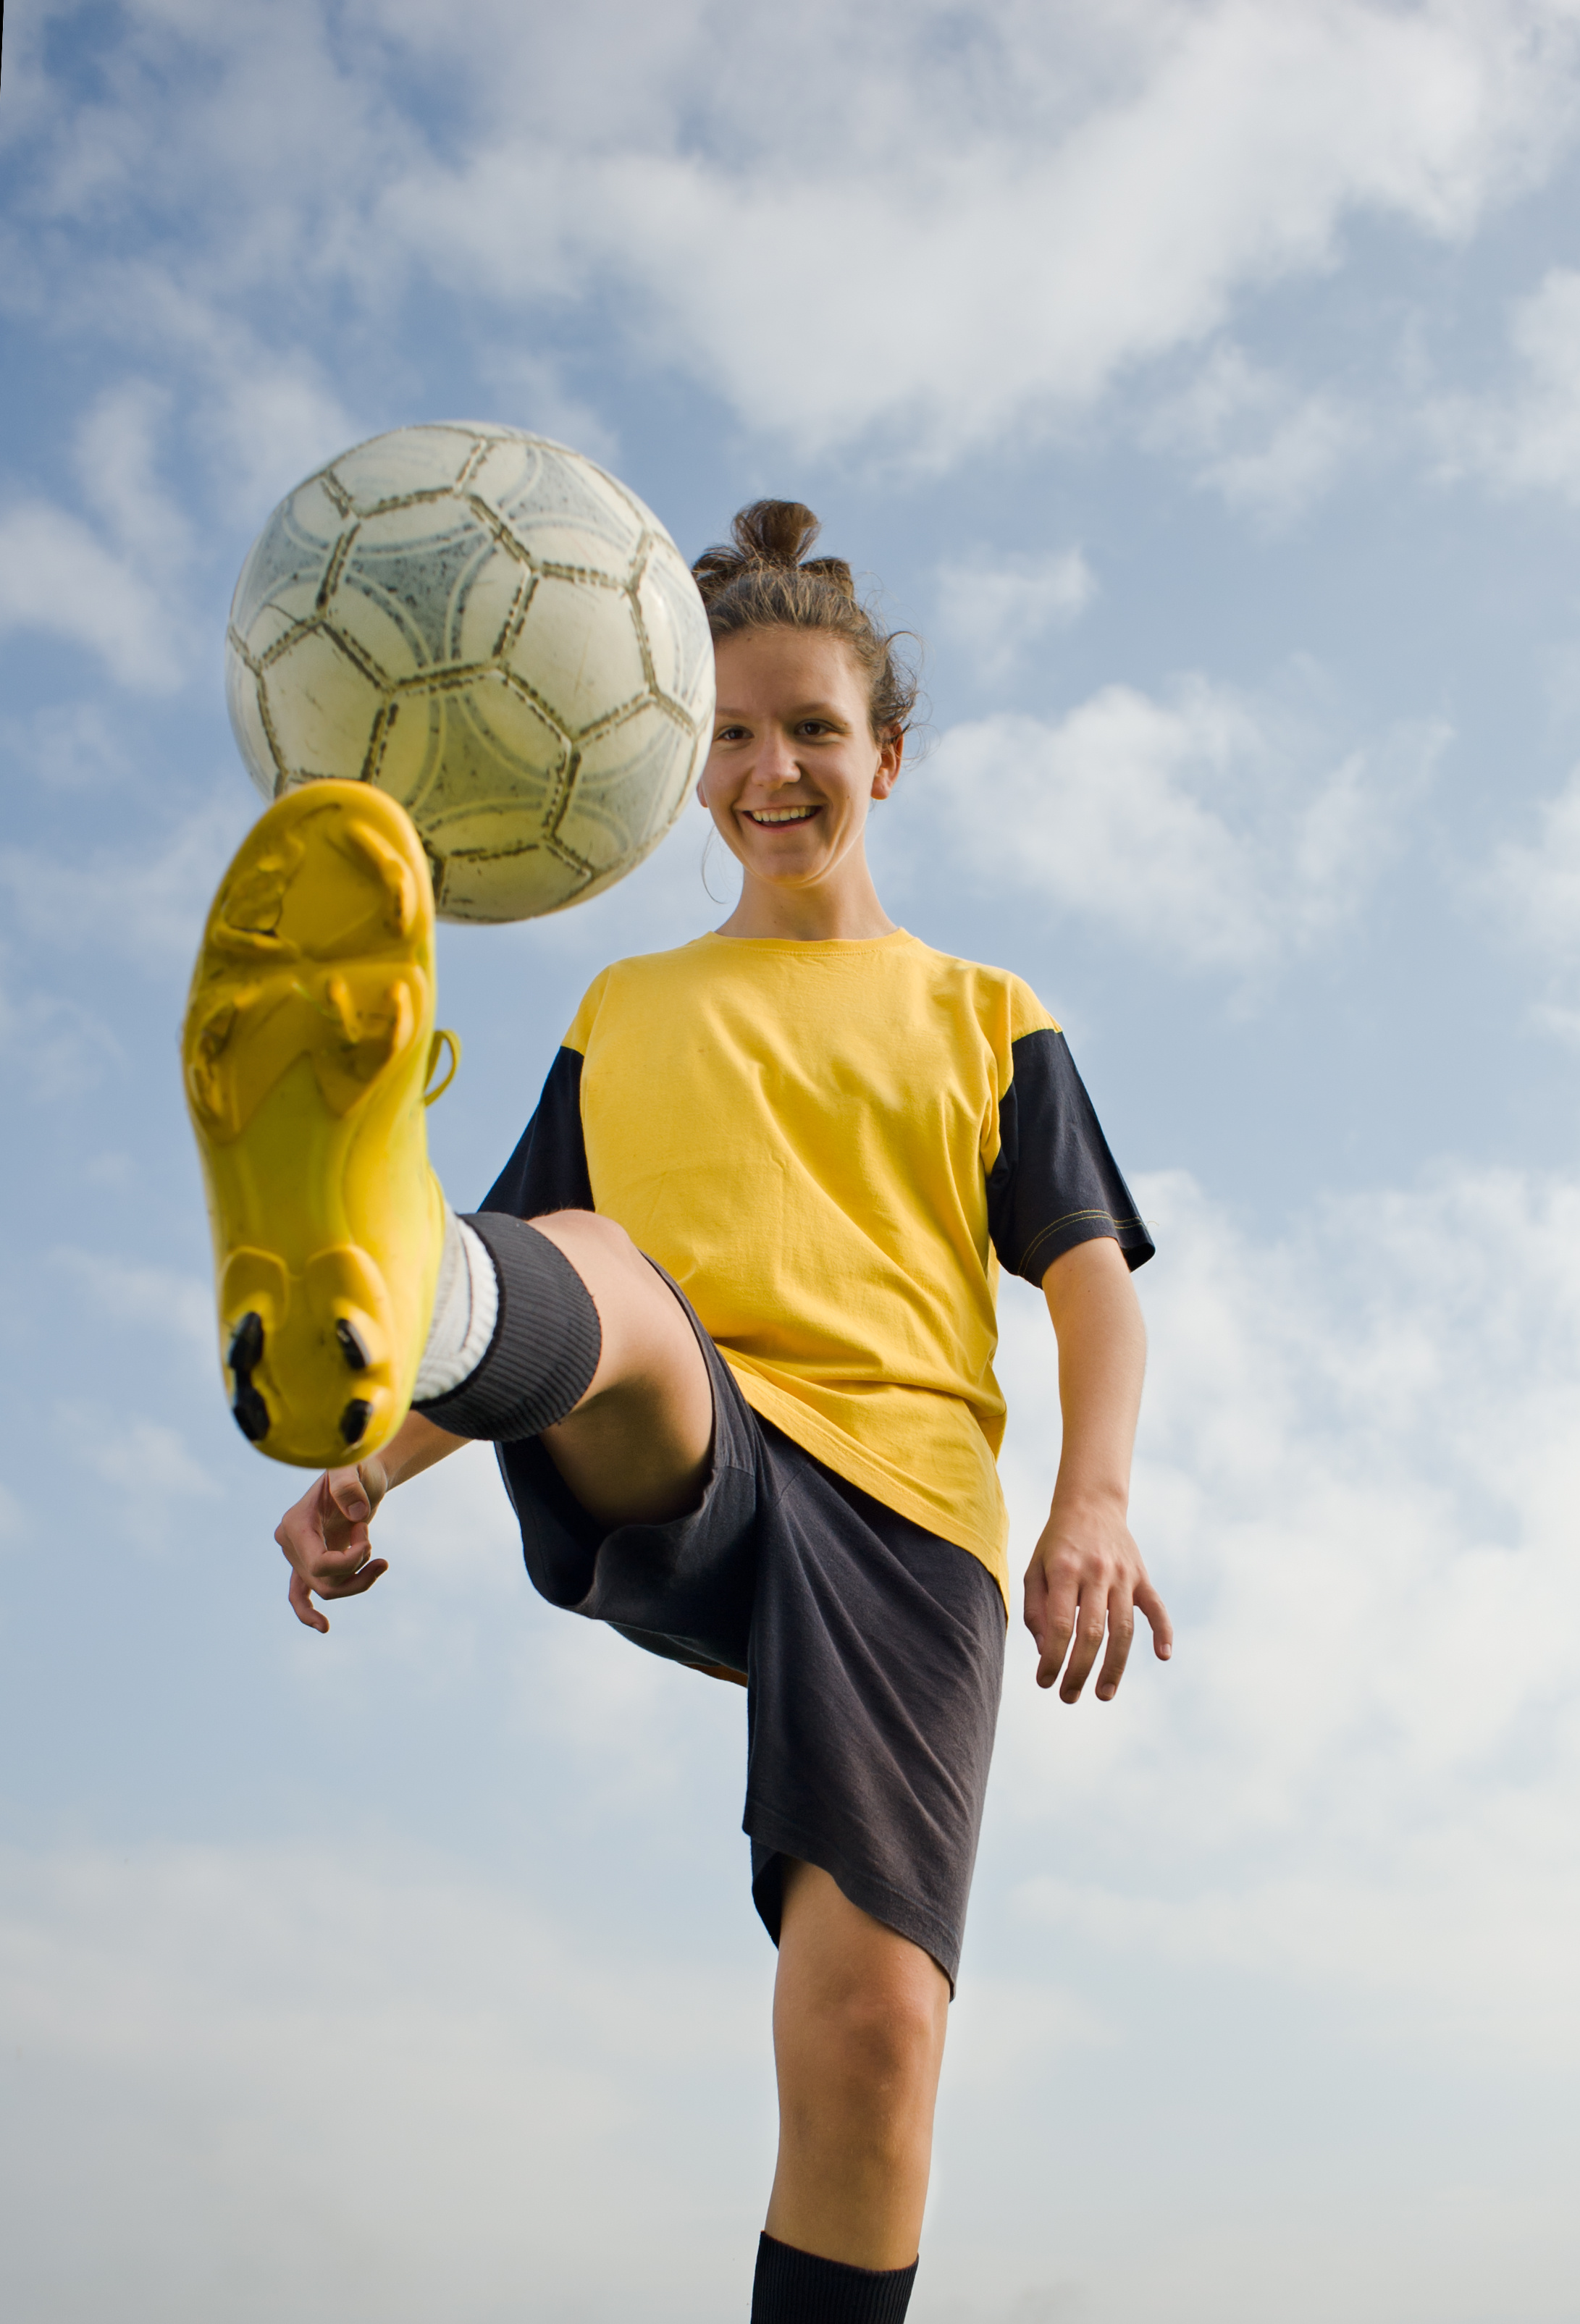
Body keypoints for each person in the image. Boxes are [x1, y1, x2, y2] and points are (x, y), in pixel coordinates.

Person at [183, 500, 1172, 2324]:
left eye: (808, 728)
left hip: (905, 1524)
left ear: (884, 757)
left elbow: (1091, 1281)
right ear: (666, 769)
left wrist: (1088, 1505)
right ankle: (363, 1213)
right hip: (686, 1431)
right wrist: (372, 1461)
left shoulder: (982, 1015)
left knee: (874, 2039)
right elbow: (538, 1273)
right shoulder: (624, 1005)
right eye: (724, 733)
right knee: (576, 1264)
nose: (769, 767)